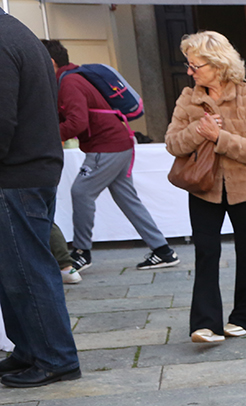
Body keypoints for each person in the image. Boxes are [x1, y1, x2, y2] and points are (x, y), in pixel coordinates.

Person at [165, 31, 246, 345]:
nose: (189, 72)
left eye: (194, 66)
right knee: (206, 253)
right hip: (203, 188)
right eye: (189, 66)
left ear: (217, 64)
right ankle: (205, 324)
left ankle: (244, 318)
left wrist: (220, 139)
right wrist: (200, 131)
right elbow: (173, 143)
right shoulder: (188, 98)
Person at [42, 39, 179, 273]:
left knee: (81, 192)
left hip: (106, 147)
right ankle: (163, 250)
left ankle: (82, 253)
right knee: (128, 199)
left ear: (51, 62)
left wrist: (45, 137)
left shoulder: (69, 82)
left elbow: (76, 122)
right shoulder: (73, 76)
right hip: (119, 142)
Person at [0, 9, 81, 388]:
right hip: (28, 170)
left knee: (27, 271)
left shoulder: (4, 40)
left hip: (16, 174)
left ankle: (54, 357)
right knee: (15, 271)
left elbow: (2, 119)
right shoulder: (18, 32)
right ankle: (31, 350)